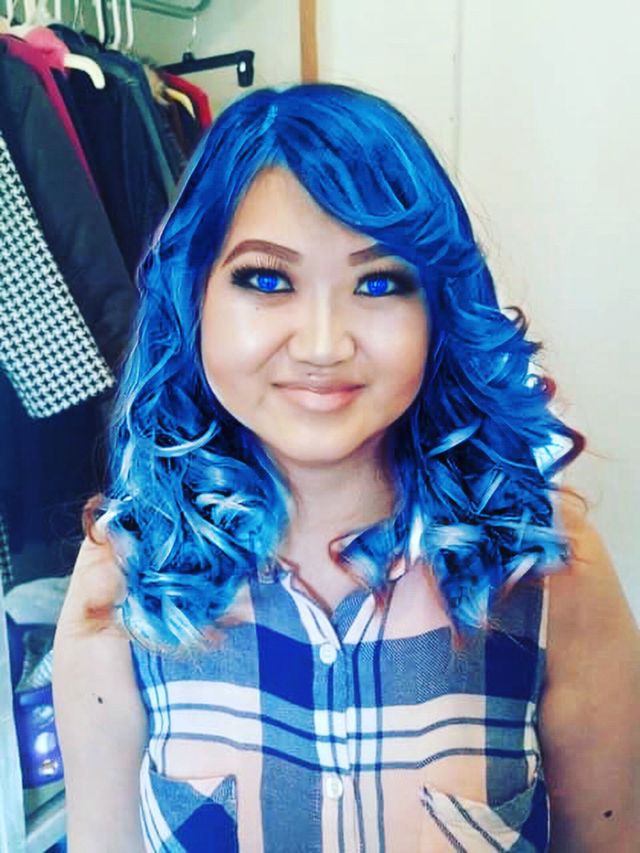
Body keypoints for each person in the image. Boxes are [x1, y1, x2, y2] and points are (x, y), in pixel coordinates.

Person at [52, 83, 639, 852]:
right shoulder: (126, 575)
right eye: (267, 279)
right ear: (193, 296)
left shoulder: (548, 567)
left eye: (379, 282)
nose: (323, 345)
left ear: (439, 308)